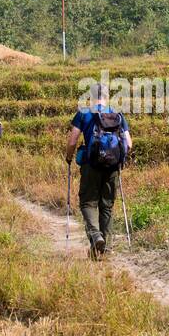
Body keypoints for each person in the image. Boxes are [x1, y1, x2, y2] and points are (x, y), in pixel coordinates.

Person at [64, 83, 132, 260]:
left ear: (91, 97)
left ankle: (96, 236)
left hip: (91, 165)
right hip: (112, 167)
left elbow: (72, 141)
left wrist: (69, 157)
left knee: (88, 203)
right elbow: (129, 143)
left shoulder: (84, 113)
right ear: (107, 96)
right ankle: (105, 248)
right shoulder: (117, 115)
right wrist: (117, 158)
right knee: (106, 206)